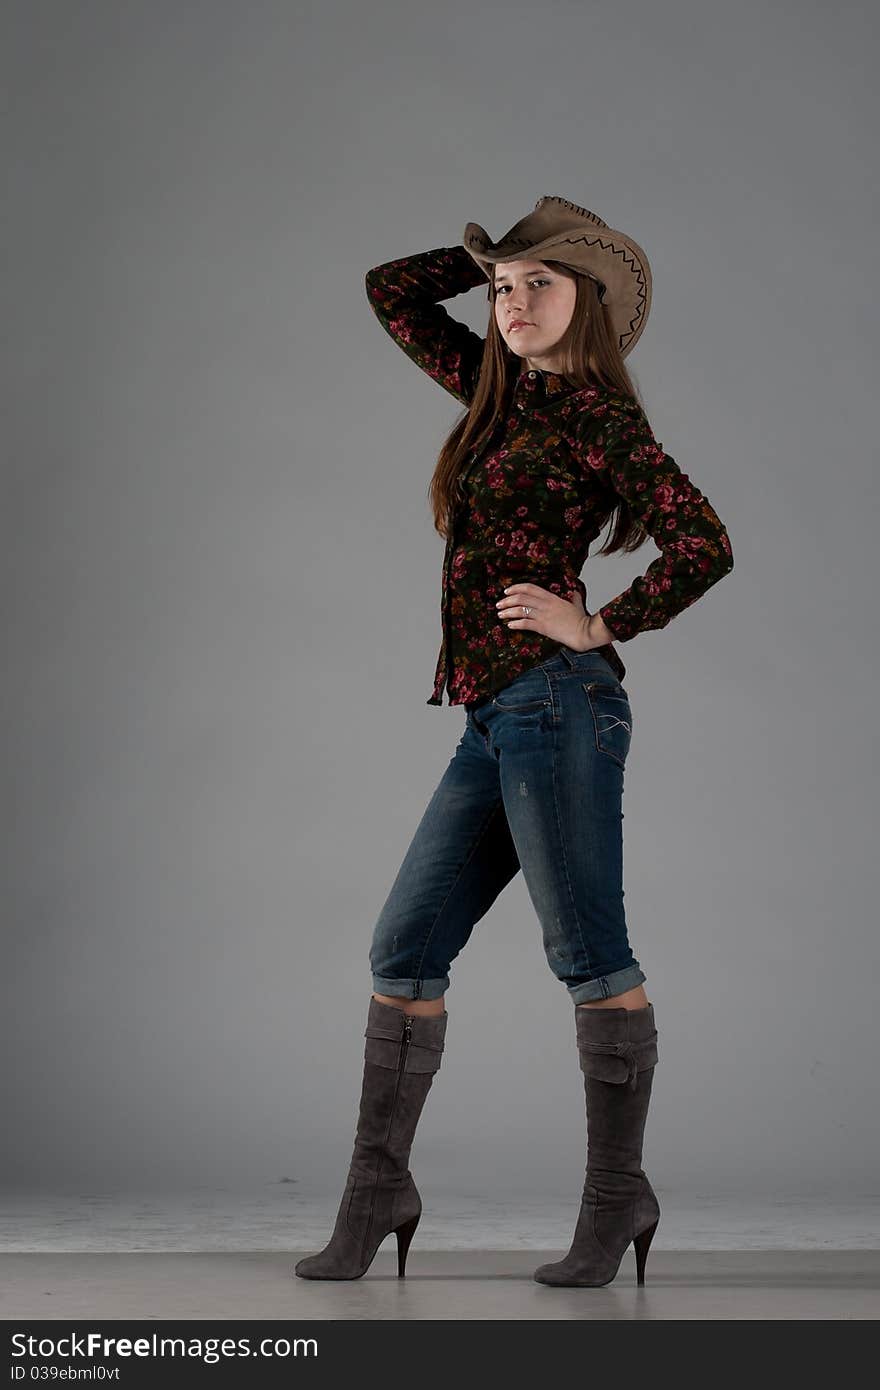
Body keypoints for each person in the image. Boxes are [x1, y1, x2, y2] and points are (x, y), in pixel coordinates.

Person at [294, 196, 733, 1288]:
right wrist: (483, 252)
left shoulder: (591, 414)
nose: (513, 303)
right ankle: (376, 1193)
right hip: (496, 713)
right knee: (403, 954)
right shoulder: (492, 401)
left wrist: (602, 621)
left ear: (586, 302)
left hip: (558, 701)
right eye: (501, 290)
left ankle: (614, 1200)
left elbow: (702, 541)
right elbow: (391, 291)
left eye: (541, 284)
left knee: (590, 960)